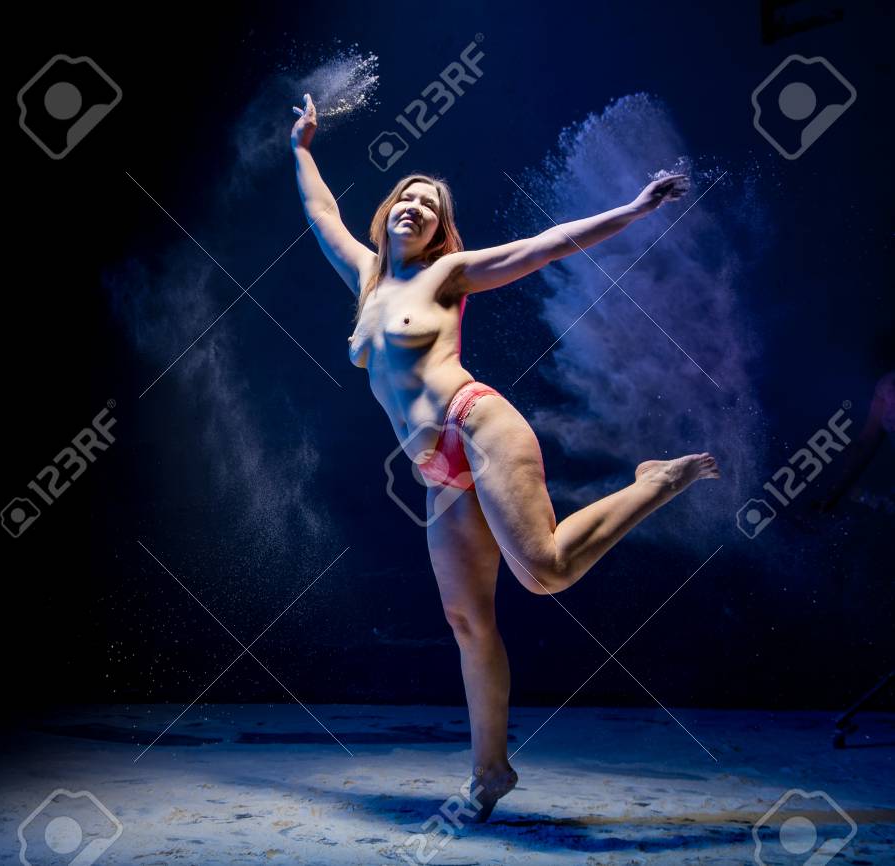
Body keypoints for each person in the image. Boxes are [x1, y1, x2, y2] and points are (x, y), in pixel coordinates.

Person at [290, 93, 720, 821]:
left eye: (429, 205)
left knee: (546, 571)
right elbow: (321, 213)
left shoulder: (447, 275)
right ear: (389, 210)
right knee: (468, 622)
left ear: (438, 230)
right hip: (437, 476)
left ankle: (653, 482)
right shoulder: (366, 279)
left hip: (477, 425)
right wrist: (301, 145)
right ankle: (490, 773)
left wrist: (635, 208)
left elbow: (544, 245)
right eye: (407, 196)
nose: (416, 206)